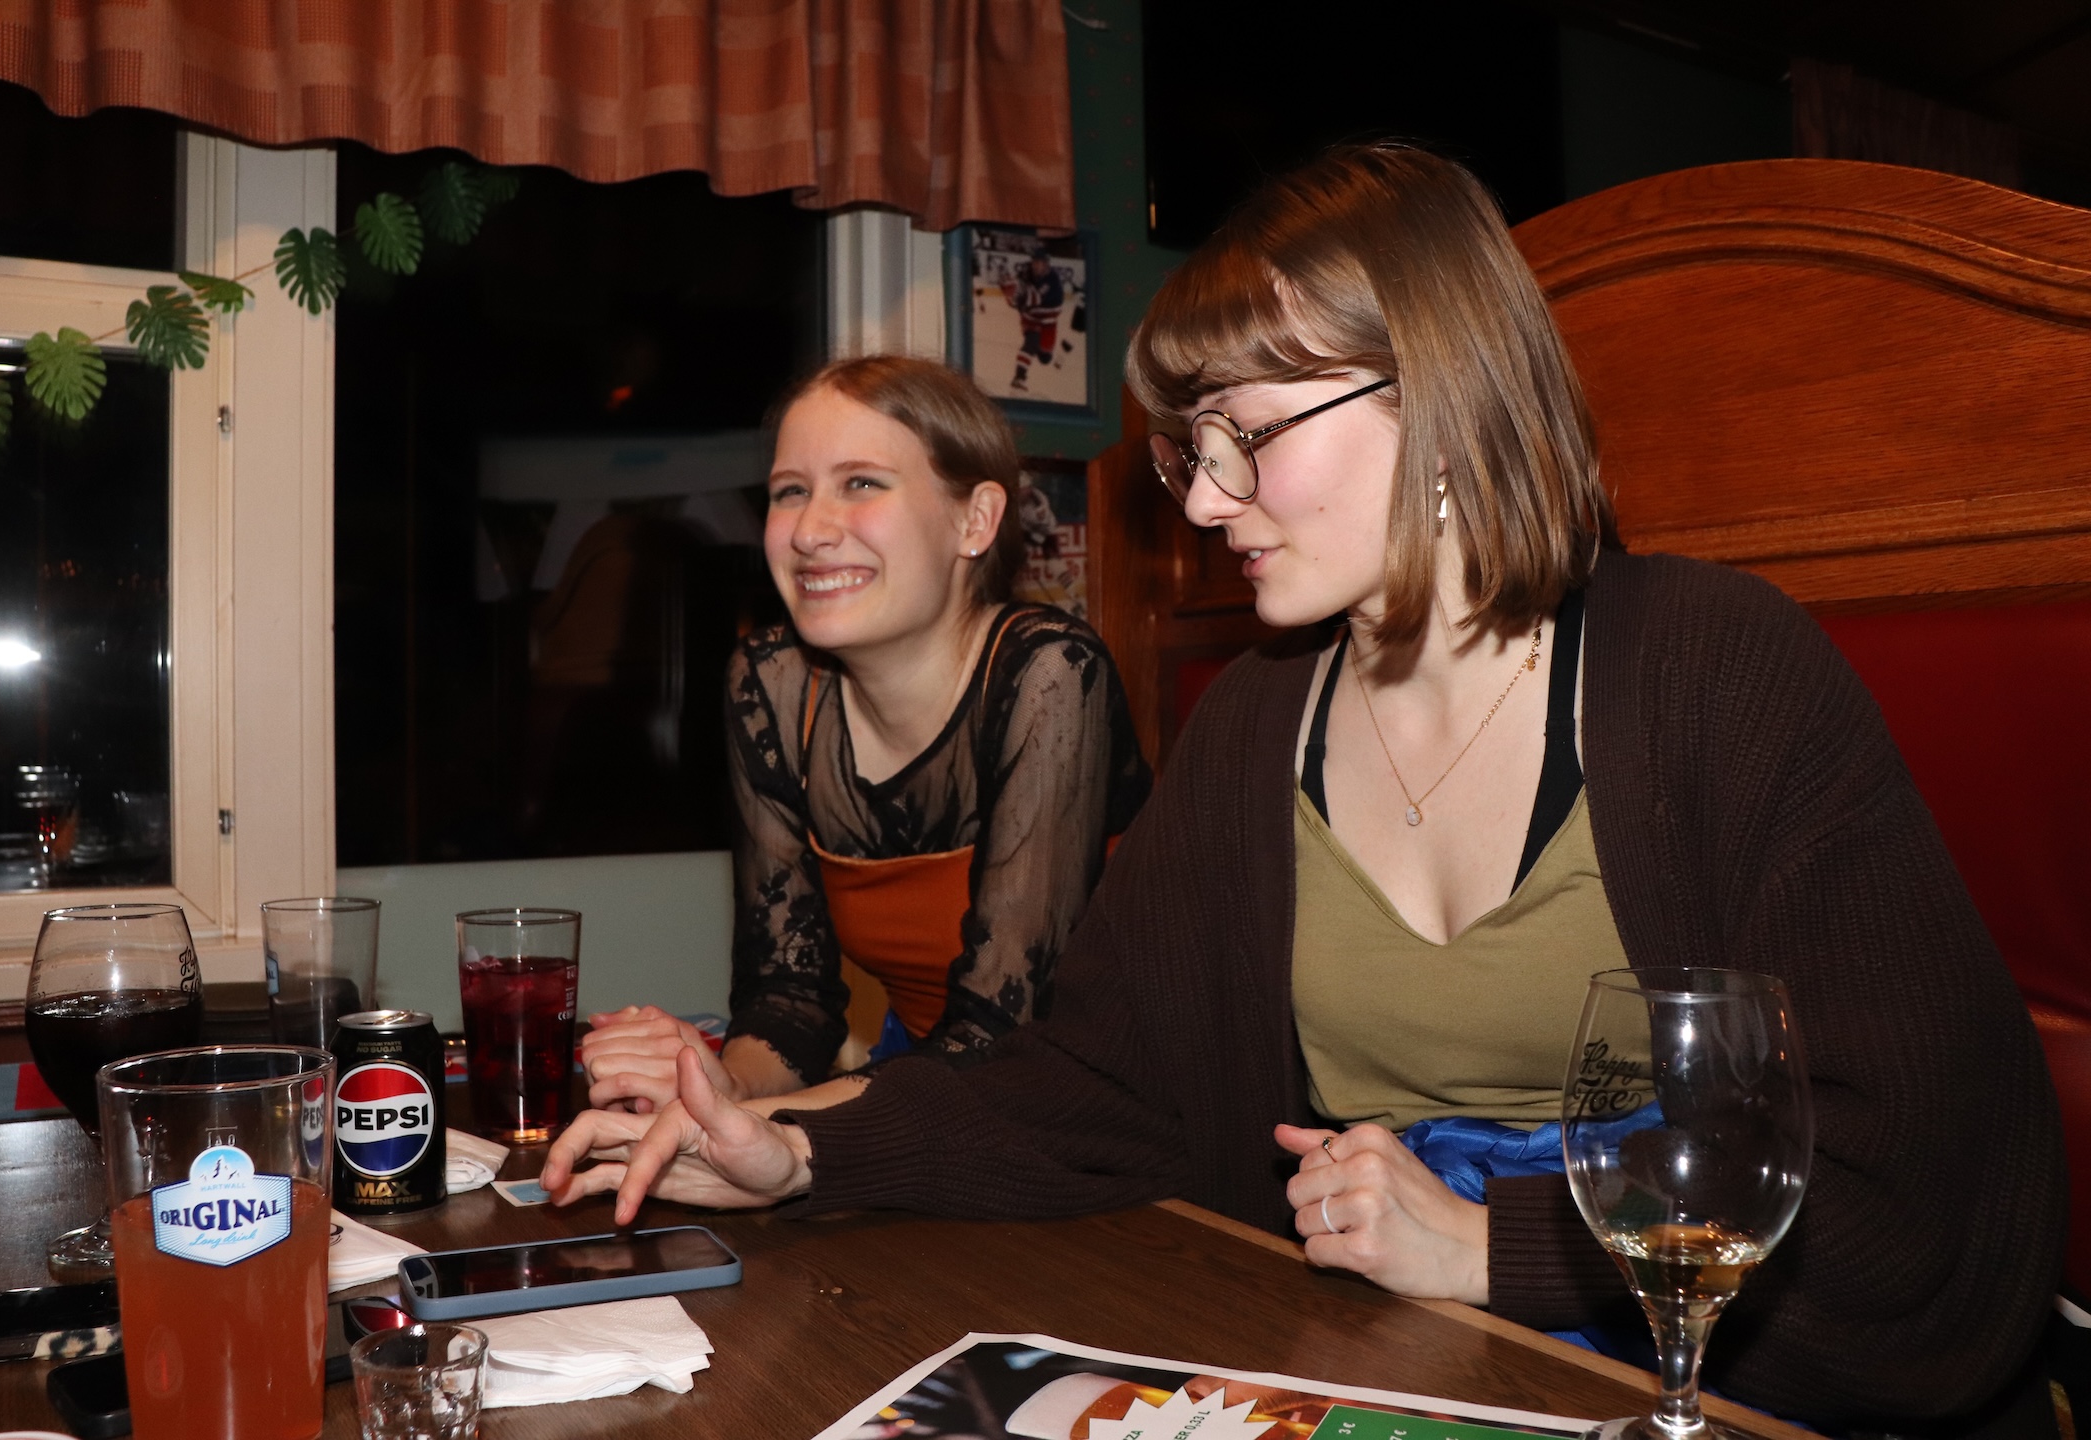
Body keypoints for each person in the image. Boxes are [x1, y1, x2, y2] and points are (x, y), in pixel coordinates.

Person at [540, 147, 2065, 1430]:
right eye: (1190, 451)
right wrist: (797, 1150)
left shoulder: (1718, 672)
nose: (1206, 502)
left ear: (1440, 393)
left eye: (1245, 438)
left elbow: (1908, 1184)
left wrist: (1490, 1248)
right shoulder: (1259, 722)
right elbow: (1103, 1088)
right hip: (1401, 1366)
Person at [576, 354, 1150, 1120]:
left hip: (1117, 1103)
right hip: (922, 1090)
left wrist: (746, 1128)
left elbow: (1001, 1038)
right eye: (790, 492)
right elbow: (789, 996)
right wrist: (719, 1087)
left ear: (975, 520)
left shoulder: (1049, 671)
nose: (811, 530)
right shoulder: (772, 683)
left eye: (862, 484)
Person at [1006, 251, 1065, 392]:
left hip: (1048, 319)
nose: (1035, 265)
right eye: (1034, 262)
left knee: (1045, 358)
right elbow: (1017, 295)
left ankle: (1042, 350)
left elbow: (1038, 299)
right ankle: (1019, 377)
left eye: (1039, 262)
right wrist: (1015, 298)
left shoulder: (1052, 280)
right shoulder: (1026, 274)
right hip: (1031, 318)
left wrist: (1024, 301)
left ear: (1046, 264)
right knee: (1031, 343)